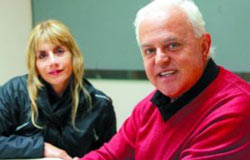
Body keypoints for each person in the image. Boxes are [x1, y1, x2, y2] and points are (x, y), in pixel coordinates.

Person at [79, 0, 250, 159]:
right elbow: (109, 156)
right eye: (149, 50)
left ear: (203, 46)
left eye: (172, 45)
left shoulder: (236, 109)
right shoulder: (148, 107)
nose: (160, 59)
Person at [0, 19, 116, 159]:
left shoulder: (100, 105)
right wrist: (40, 148)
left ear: (74, 55)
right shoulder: (14, 93)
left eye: (59, 51)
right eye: (42, 56)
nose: (53, 62)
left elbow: (111, 155)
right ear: (35, 63)